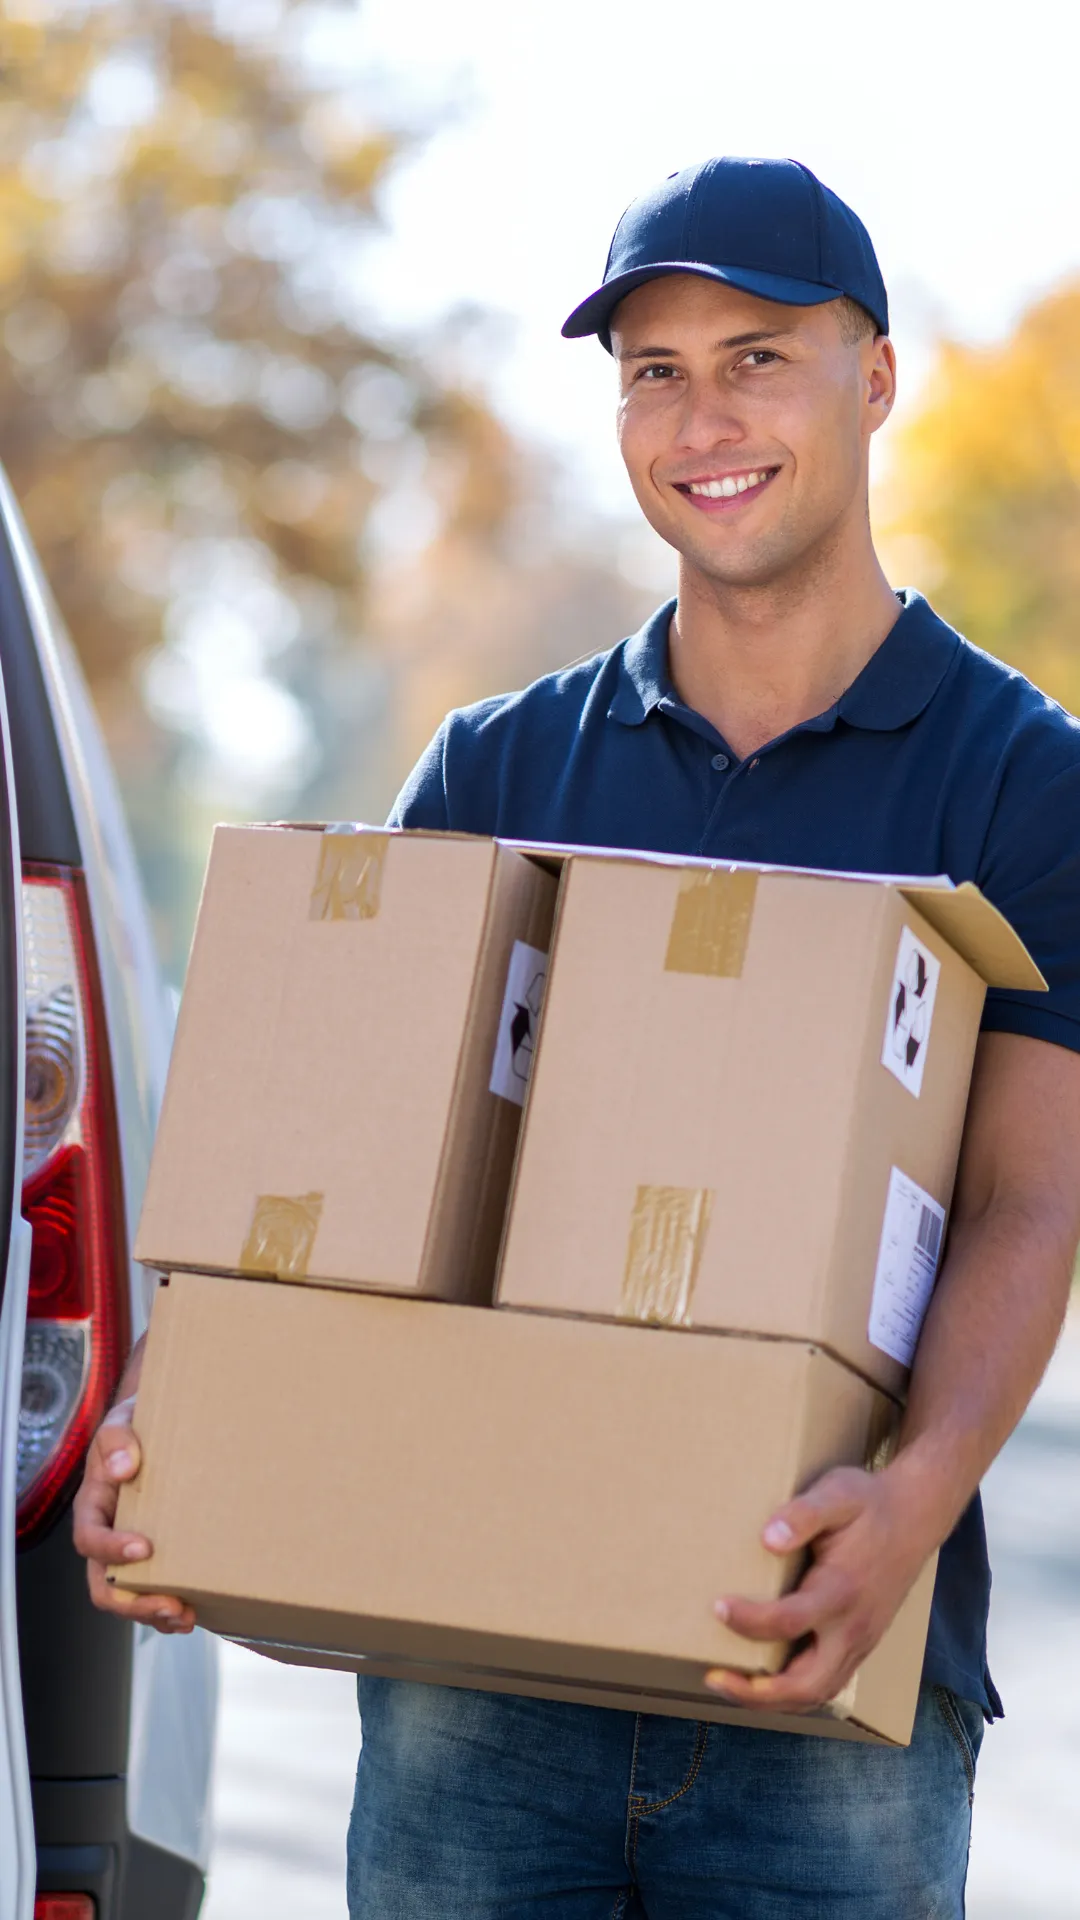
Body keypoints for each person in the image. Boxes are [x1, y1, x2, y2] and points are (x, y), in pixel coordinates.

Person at [75, 157, 1080, 1918]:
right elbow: (337, 1159)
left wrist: (916, 1498)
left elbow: (1029, 1197)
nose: (703, 420)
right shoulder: (495, 769)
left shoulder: (1021, 779)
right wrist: (191, 1418)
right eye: (653, 373)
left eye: (756, 359)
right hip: (475, 1682)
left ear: (874, 379)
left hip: (823, 1664)